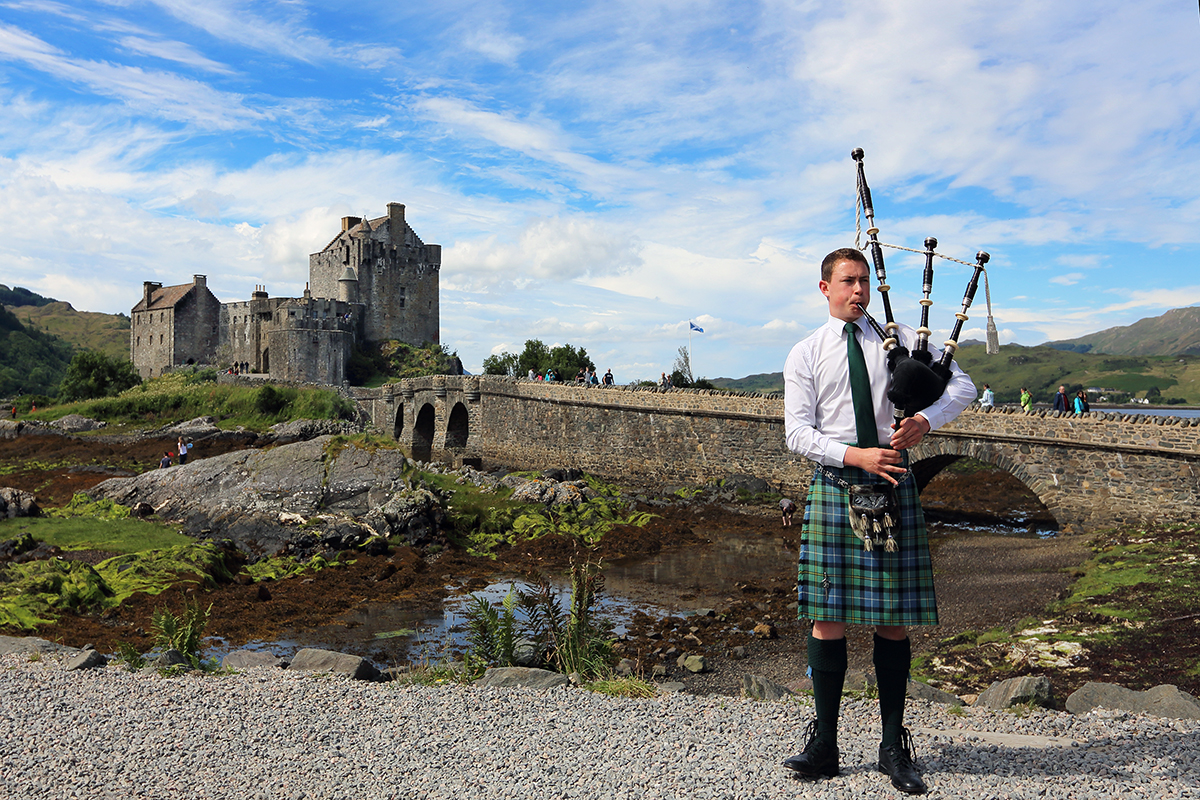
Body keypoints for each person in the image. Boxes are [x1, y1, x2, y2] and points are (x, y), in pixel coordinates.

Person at [782, 248, 975, 795]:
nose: (859, 291)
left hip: (893, 486)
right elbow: (797, 433)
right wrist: (854, 455)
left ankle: (893, 746)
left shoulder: (899, 341)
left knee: (892, 618)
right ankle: (824, 744)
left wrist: (923, 419)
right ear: (825, 288)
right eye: (847, 282)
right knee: (827, 618)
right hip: (838, 486)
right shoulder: (806, 353)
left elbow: (963, 387)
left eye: (864, 280)